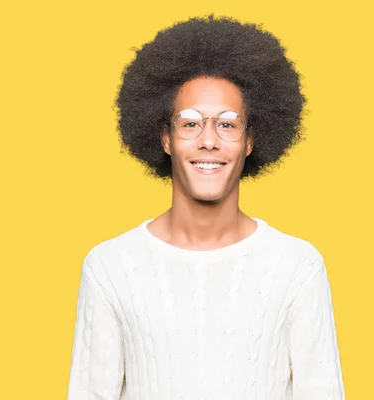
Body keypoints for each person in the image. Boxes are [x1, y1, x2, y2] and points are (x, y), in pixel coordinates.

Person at [66, 15, 345, 400]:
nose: (209, 141)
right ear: (165, 137)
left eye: (228, 124)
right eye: (191, 123)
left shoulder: (298, 267)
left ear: (250, 140)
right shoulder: (111, 267)